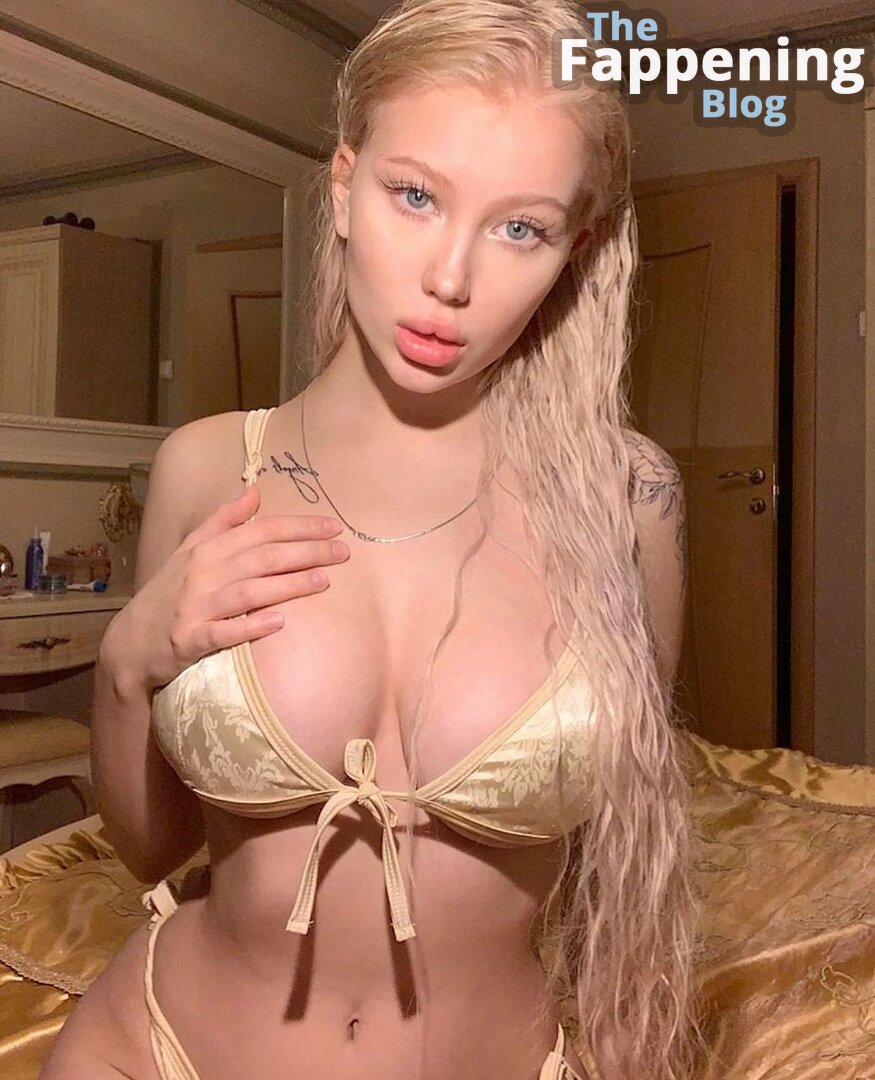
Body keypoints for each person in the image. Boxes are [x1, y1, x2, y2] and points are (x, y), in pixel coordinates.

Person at [40, 1, 707, 1078]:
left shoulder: (625, 500)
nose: (450, 279)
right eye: (415, 196)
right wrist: (125, 666)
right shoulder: (209, 468)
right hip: (158, 1048)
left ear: (574, 251)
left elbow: (621, 863)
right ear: (344, 186)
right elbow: (153, 850)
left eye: (519, 228)